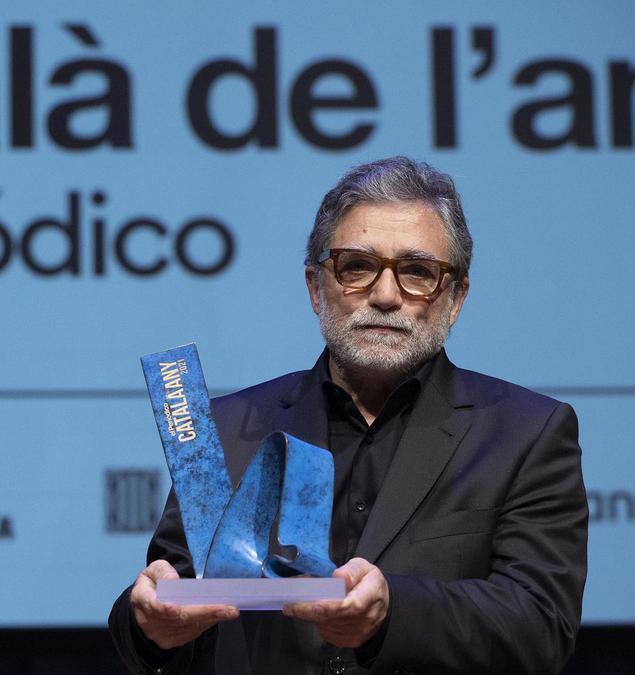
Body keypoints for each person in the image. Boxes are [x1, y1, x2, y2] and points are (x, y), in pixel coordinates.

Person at [109, 157, 588, 674]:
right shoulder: (225, 430)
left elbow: (540, 628)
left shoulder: (527, 434)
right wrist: (150, 629)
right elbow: (167, 600)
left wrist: (391, 614)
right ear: (317, 287)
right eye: (357, 266)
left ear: (455, 299)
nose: (384, 296)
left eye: (418, 272)